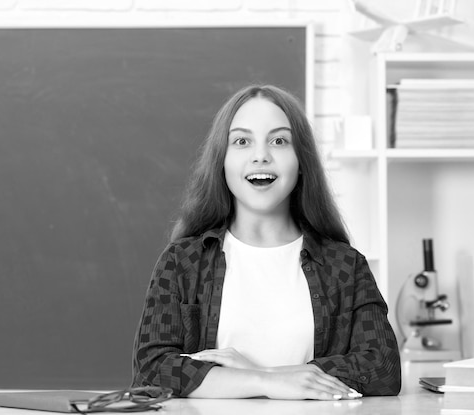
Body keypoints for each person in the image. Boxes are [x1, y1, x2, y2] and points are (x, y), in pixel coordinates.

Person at [131, 84, 401, 400]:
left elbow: (384, 369)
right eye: (242, 141)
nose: (261, 156)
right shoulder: (183, 261)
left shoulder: (345, 265)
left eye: (279, 140)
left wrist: (262, 373)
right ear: (223, 161)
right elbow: (150, 370)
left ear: (302, 162)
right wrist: (265, 383)